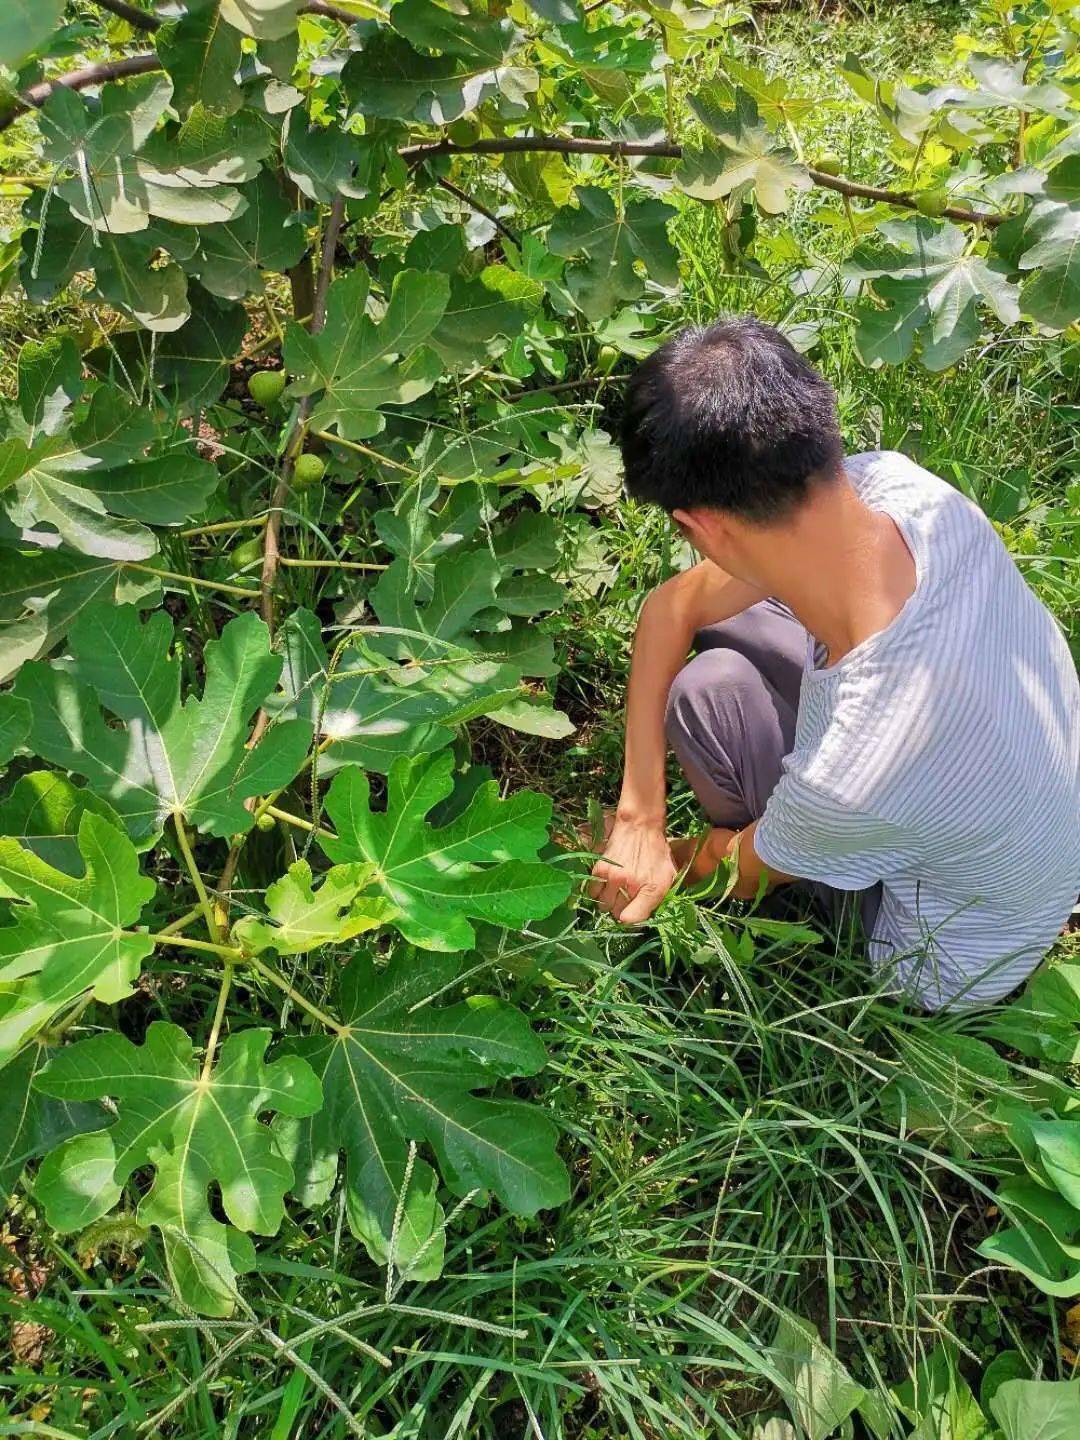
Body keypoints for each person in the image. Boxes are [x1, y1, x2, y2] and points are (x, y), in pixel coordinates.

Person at [589, 316, 1079, 1009]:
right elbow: (672, 609)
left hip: (942, 965)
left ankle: (828, 912)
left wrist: (630, 852)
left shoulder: (851, 774)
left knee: (709, 695)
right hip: (1023, 840)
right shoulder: (905, 493)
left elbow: (732, 869)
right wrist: (640, 807)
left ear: (700, 527)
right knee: (745, 618)